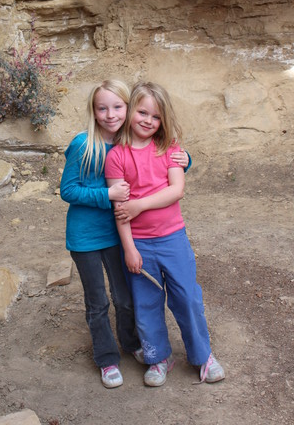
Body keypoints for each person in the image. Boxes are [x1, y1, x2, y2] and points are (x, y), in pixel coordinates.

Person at [60, 79, 190, 389]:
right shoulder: (84, 144)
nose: (110, 114)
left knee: (125, 296)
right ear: (93, 112)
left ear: (128, 109)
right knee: (98, 301)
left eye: (118, 107)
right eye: (102, 108)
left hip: (119, 234)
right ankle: (107, 359)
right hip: (86, 238)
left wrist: (185, 162)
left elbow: (155, 162)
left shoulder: (128, 141)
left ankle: (132, 343)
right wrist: (107, 195)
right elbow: (67, 190)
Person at [105, 81, 225, 387]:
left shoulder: (169, 148)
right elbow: (121, 212)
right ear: (131, 110)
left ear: (163, 120)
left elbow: (177, 190)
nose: (148, 120)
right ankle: (158, 358)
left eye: (155, 117)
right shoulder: (116, 156)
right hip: (140, 244)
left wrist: (139, 205)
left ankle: (202, 356)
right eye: (142, 112)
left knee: (187, 298)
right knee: (146, 305)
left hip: (173, 238)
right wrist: (129, 249)